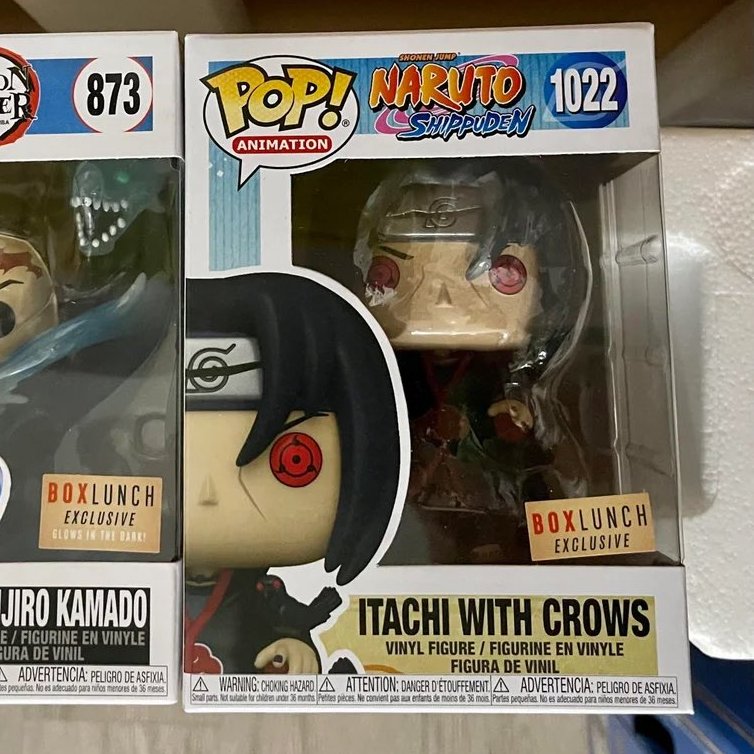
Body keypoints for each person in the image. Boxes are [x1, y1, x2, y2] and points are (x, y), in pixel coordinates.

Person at [184, 272, 403, 674]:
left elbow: (282, 620)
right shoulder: (120, 589)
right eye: (149, 449)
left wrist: (293, 643)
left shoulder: (259, 591)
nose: (206, 492)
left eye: (294, 460)